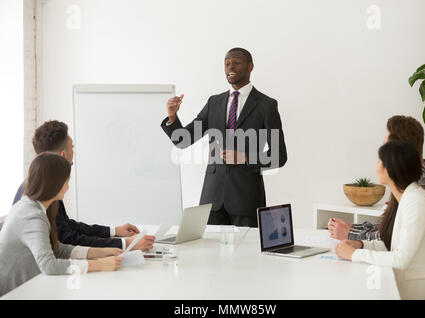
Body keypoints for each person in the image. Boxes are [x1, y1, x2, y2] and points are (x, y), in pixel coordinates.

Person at [161, 48, 287, 227]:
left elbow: (279, 156)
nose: (231, 67)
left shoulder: (266, 105)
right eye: (227, 63)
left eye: (237, 62)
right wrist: (172, 117)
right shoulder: (214, 102)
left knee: (245, 253)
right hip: (212, 200)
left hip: (246, 199)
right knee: (208, 253)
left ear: (250, 66)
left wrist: (244, 158)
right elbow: (183, 140)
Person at [328, 115, 425, 280]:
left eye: (384, 150)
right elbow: (391, 236)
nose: (377, 165)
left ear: (396, 156)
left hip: (420, 282)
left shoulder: (420, 192)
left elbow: (400, 256)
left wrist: (354, 247)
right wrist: (360, 243)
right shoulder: (408, 189)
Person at [13, 120, 155, 251]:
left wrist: (114, 231)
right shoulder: (42, 191)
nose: (74, 151)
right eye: (72, 147)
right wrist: (125, 244)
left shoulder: (41, 182)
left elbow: (68, 226)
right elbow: (67, 239)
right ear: (63, 155)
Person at [0, 153, 124, 297]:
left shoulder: (33, 206)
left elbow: (57, 249)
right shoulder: (31, 217)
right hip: (14, 293)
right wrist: (100, 265)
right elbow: (49, 265)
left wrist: (104, 252)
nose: (67, 187)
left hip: (29, 286)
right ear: (55, 183)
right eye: (67, 181)